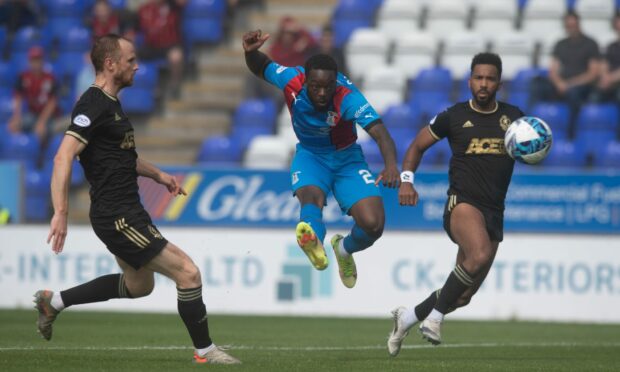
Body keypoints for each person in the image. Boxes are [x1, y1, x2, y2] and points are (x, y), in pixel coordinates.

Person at [34, 34, 240, 365]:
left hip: (125, 210)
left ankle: (54, 301)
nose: (137, 66)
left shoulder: (111, 105)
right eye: (130, 60)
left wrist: (158, 174)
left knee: (139, 286)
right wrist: (60, 212)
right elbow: (63, 157)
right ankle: (205, 351)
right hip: (117, 215)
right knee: (188, 272)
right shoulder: (93, 104)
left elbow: (120, 157)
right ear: (110, 64)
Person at [387, 53, 525, 356]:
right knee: (478, 254)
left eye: (490, 78)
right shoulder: (453, 116)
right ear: (470, 81)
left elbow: (533, 145)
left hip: (494, 211)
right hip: (461, 203)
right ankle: (435, 320)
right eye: (479, 77)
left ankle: (407, 317)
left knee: (462, 296)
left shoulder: (515, 118)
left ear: (499, 83)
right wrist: (407, 181)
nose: (484, 83)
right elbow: (417, 146)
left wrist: (535, 149)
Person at [242, 29, 400, 288]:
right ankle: (313, 238)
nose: (322, 93)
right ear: (305, 82)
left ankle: (343, 249)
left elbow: (381, 134)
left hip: (347, 159)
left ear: (336, 83)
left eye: (328, 87)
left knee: (373, 225)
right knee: (311, 197)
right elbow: (262, 66)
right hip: (311, 156)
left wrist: (392, 166)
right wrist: (250, 52)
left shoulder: (348, 98)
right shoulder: (291, 79)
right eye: (316, 87)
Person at [545, 11, 600, 138]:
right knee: (536, 85)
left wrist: (569, 84)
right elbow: (553, 70)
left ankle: (570, 134)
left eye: (573, 25)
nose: (571, 28)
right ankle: (527, 128)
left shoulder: (590, 44)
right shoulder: (560, 44)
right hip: (562, 84)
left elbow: (593, 73)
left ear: (579, 24)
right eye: (568, 25)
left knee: (573, 94)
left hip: (581, 85)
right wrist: (559, 83)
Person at [8, 45, 59, 143]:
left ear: (43, 61)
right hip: (32, 114)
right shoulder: (23, 77)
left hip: (49, 117)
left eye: (38, 59)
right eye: (33, 60)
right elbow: (18, 97)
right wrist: (16, 117)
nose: (36, 63)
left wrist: (42, 122)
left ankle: (41, 157)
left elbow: (52, 102)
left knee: (41, 131)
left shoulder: (50, 78)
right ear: (29, 61)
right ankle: (20, 153)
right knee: (13, 126)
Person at [137, 0, 185, 97]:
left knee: (176, 57)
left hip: (169, 45)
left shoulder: (173, 7)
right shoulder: (144, 9)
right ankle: (145, 86)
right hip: (150, 46)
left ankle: (174, 84)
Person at [596, 14, 620, 105]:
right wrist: (604, 77)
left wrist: (610, 78)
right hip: (609, 83)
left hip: (614, 81)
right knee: (595, 96)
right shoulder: (611, 46)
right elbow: (604, 64)